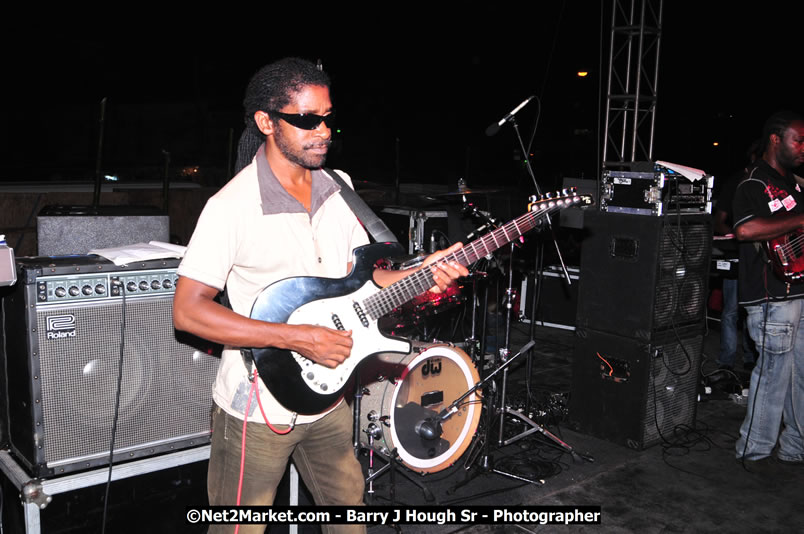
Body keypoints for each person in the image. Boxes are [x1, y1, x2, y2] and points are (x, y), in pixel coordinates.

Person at [172, 57, 468, 534]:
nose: (324, 131)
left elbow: (366, 282)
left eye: (328, 118)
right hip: (260, 406)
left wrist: (422, 276)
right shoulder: (230, 207)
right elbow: (188, 312)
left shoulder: (340, 188)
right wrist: (297, 338)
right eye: (308, 120)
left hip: (330, 396)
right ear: (267, 122)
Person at [732, 110, 804, 465]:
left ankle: (796, 446)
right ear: (776, 139)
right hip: (771, 296)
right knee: (773, 374)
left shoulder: (795, 182)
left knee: (800, 376)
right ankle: (754, 450)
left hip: (798, 292)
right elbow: (745, 230)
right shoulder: (754, 182)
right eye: (799, 141)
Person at [712, 142, 760, 373]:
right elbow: (719, 220)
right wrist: (733, 235)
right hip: (737, 254)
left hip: (762, 259)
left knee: (754, 310)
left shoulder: (774, 184)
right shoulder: (736, 182)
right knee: (731, 310)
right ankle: (727, 361)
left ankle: (751, 358)